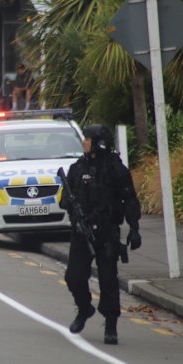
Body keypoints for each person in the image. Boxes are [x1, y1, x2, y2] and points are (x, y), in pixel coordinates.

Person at [60, 124, 142, 345]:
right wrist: (71, 206)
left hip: (107, 232)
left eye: (88, 139)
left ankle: (111, 324)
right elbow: (65, 199)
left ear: (98, 143)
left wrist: (134, 228)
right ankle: (84, 308)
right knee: (74, 277)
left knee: (108, 280)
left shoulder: (116, 169)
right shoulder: (77, 168)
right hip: (81, 232)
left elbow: (129, 199)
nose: (84, 142)